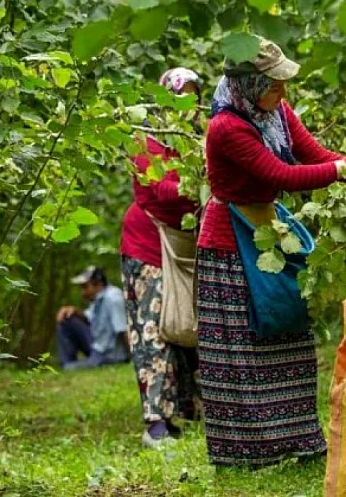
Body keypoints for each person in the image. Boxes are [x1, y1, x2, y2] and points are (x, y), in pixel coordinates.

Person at [196, 36, 346, 467]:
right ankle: (246, 453)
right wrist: (343, 168)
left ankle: (298, 440)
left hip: (269, 232)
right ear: (248, 83)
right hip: (231, 241)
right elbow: (282, 173)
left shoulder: (277, 113)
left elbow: (316, 157)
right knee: (243, 346)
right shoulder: (226, 127)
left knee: (287, 330)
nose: (283, 92)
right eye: (274, 84)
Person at [120, 67, 202, 448]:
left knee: (187, 327)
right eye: (178, 97)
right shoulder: (147, 143)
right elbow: (162, 192)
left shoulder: (195, 142)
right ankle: (155, 423)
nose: (185, 105)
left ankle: (190, 410)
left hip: (185, 250)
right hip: (147, 247)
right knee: (154, 330)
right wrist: (201, 184)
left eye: (192, 97)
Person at [55, 266, 129, 370]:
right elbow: (89, 318)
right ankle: (67, 363)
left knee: (70, 368)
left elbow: (123, 330)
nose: (83, 293)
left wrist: (132, 358)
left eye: (85, 287)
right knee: (67, 321)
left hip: (109, 354)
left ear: (98, 284)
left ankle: (69, 366)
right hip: (98, 346)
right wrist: (74, 311)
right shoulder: (98, 299)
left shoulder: (113, 298)